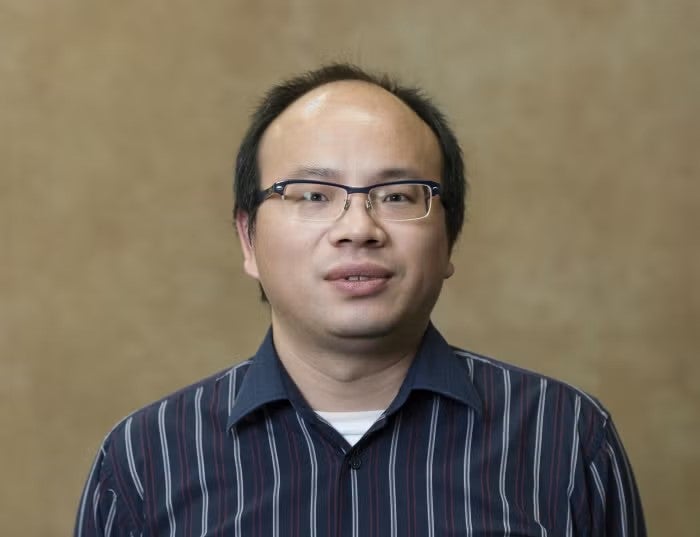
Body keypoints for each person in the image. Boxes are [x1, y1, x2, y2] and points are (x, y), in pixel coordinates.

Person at [74, 64, 646, 536]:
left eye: (397, 195)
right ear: (248, 238)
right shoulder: (145, 461)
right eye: (312, 194)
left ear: (449, 237)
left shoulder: (567, 439)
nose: (357, 228)